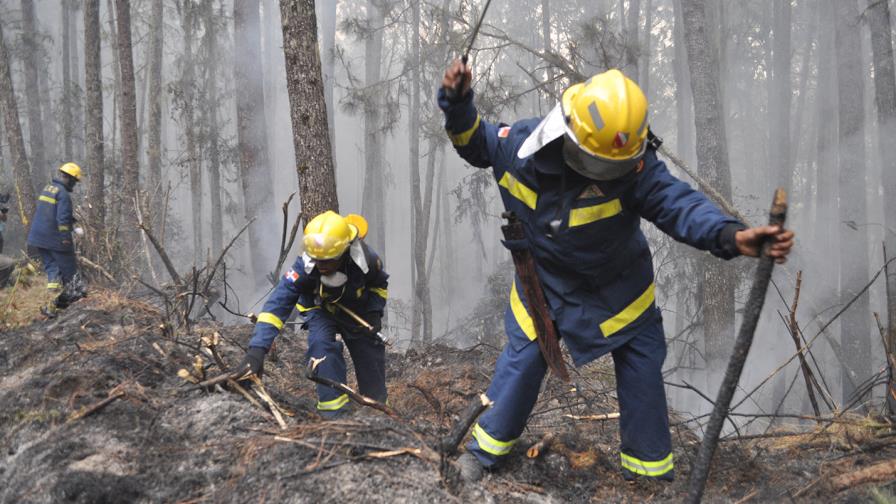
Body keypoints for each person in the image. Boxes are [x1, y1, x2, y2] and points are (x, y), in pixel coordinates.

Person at [438, 63, 795, 482]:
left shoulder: (634, 166)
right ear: (567, 134)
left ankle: (649, 477)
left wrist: (730, 236)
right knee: (522, 363)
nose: (606, 174)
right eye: (598, 162)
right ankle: (481, 457)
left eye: (614, 165)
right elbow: (473, 141)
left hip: (619, 290)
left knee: (642, 370)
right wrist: (458, 102)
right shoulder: (519, 149)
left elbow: (676, 203)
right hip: (543, 286)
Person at [234, 211, 390, 418]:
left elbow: (379, 286)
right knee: (321, 348)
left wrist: (374, 313)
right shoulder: (305, 265)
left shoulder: (366, 262)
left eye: (327, 261)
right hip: (321, 310)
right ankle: (334, 416)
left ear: (343, 252)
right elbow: (277, 305)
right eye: (317, 260)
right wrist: (256, 350)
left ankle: (378, 415)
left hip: (358, 313)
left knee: (370, 360)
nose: (321, 265)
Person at [26, 162, 87, 318]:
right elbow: (62, 218)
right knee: (70, 274)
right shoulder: (64, 195)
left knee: (52, 270)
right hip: (55, 240)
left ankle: (49, 304)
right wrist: (66, 238)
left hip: (38, 238)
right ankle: (67, 302)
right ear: (71, 179)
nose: (74, 184)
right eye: (75, 181)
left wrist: (72, 225)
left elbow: (51, 213)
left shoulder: (49, 188)